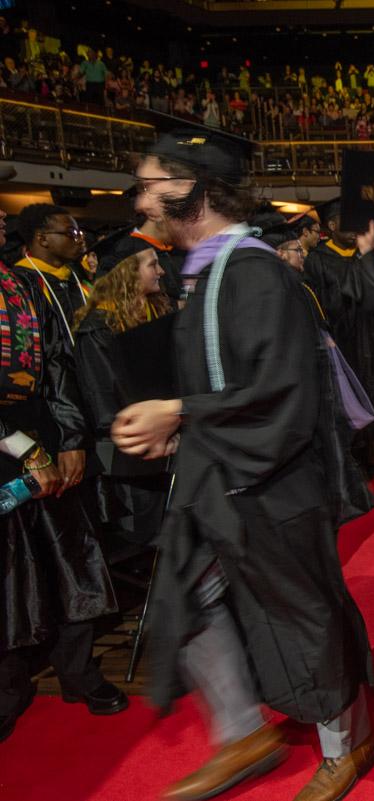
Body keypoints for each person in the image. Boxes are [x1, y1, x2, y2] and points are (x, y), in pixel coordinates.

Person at [110, 129, 374, 801]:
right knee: (189, 594)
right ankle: (242, 733)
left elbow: (281, 394)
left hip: (274, 482)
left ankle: (348, 741)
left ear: (192, 188)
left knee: (303, 613)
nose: (139, 198)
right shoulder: (205, 270)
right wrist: (181, 425)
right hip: (219, 475)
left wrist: (180, 412)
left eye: (150, 184)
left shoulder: (254, 272)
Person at [0, 207, 127, 745]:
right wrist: (23, 448)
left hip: (43, 433)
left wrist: (71, 439)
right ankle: (9, 687)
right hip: (12, 444)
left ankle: (79, 673)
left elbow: (54, 365)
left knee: (68, 554)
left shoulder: (18, 286)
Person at [71, 242, 174, 545]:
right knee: (141, 539)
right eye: (152, 265)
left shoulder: (155, 313)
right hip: (130, 454)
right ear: (127, 273)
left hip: (166, 442)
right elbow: (103, 397)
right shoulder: (99, 327)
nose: (162, 271)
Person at [303, 201, 374, 472]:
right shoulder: (318, 259)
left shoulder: (364, 255)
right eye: (344, 221)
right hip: (342, 339)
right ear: (331, 226)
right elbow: (318, 303)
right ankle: (350, 458)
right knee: (346, 397)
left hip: (373, 336)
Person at [14, 204, 92, 347]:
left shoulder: (77, 279)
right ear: (42, 239)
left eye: (79, 234)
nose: (80, 240)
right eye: (71, 233)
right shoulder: (20, 284)